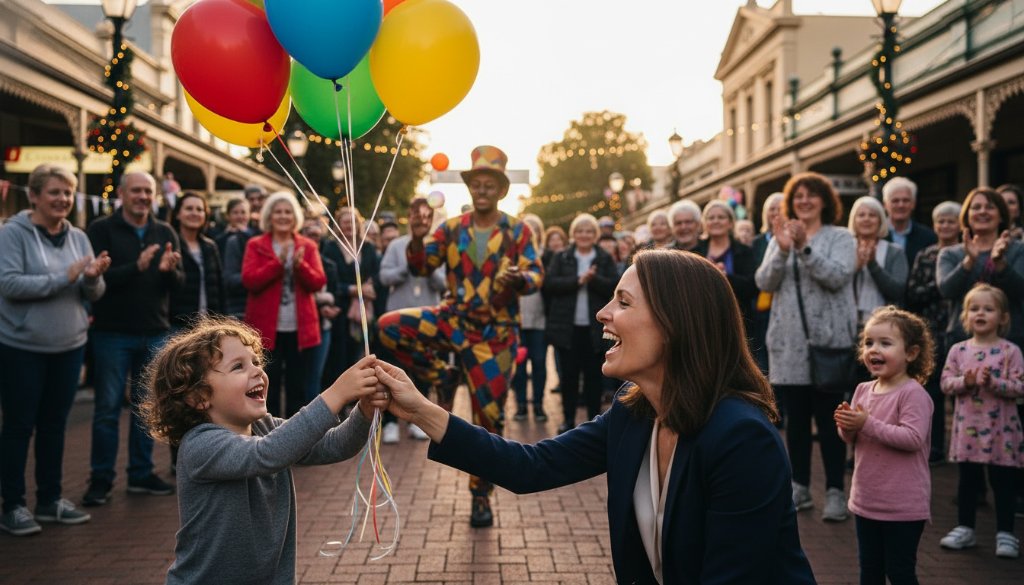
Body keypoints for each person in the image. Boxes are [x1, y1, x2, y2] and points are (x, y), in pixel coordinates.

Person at [376, 250, 817, 584]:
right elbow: (530, 467)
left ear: (674, 324)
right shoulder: (634, 411)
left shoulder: (742, 439)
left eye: (623, 302)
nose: (603, 313)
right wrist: (419, 409)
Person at [138, 317, 386, 584]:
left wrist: (364, 411)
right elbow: (267, 454)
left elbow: (334, 445)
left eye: (256, 362)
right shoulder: (200, 445)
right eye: (238, 366)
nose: (257, 371)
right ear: (199, 397)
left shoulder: (264, 427)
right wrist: (336, 394)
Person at [376, 145, 543, 528]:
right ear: (470, 188)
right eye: (477, 184)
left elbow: (536, 274)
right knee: (388, 327)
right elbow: (422, 267)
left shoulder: (518, 229)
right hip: (454, 319)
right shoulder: (451, 228)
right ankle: (443, 375)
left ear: (501, 190)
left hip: (495, 336)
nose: (482, 190)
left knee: (489, 420)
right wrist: (416, 239)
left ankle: (480, 495)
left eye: (489, 185)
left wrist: (519, 278)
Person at [0, 165, 110, 535]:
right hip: (22, 346)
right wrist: (65, 277)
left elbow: (94, 293)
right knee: (18, 426)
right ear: (33, 196)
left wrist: (92, 279)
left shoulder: (78, 236)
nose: (62, 199)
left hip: (69, 345)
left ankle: (50, 500)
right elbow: (9, 284)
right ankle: (13, 505)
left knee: (54, 426)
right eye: (54, 192)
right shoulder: (12, 233)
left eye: (67, 192)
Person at [755, 171, 857, 522]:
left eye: (811, 194)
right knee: (796, 423)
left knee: (829, 422)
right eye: (798, 196)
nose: (804, 201)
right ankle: (799, 487)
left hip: (828, 342)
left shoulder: (840, 237)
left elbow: (837, 277)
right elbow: (764, 281)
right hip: (788, 344)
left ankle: (835, 491)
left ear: (825, 200)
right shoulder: (780, 238)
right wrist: (783, 249)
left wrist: (804, 249)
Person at [83, 171, 183, 506]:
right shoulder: (101, 229)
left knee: (146, 409)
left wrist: (169, 271)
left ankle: (141, 474)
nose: (143, 197)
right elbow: (95, 280)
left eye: (148, 191)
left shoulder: (165, 231)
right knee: (107, 410)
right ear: (122, 194)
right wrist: (136, 268)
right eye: (136, 191)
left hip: (154, 331)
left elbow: (179, 286)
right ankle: (101, 479)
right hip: (111, 333)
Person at [835, 306, 935, 585]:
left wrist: (865, 423)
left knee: (900, 572)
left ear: (911, 353)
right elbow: (851, 439)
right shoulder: (862, 390)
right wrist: (847, 425)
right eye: (869, 342)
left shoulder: (913, 394)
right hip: (866, 500)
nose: (873, 349)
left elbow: (913, 438)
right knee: (870, 570)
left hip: (902, 505)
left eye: (885, 343)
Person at [938, 284, 1023, 559]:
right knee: (968, 482)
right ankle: (965, 528)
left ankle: (1006, 533)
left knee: (1003, 483)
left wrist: (994, 383)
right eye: (974, 308)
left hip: (1001, 432)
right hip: (968, 432)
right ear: (965, 316)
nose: (980, 313)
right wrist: (966, 382)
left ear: (1003, 317)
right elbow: (945, 383)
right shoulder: (958, 350)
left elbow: (1020, 387)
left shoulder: (1010, 351)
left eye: (988, 309)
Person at [242, 191, 327, 418]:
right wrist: (278, 264)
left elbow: (318, 282)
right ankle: (266, 435)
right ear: (269, 216)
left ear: (295, 216)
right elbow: (249, 280)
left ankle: (295, 435)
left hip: (300, 330)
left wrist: (301, 267)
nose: (283, 216)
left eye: (288, 212)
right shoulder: (256, 244)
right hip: (264, 330)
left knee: (297, 389)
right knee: (265, 387)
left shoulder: (307, 246)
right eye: (278, 211)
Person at [376, 198, 447, 442]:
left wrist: (426, 267)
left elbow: (445, 284)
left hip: (426, 320)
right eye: (417, 214)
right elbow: (384, 277)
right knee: (392, 370)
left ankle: (418, 422)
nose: (421, 219)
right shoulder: (397, 245)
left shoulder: (437, 247)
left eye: (427, 215)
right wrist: (407, 266)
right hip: (396, 321)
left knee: (423, 369)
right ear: (410, 216)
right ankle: (390, 423)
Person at [544, 214, 619, 433]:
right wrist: (578, 281)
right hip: (567, 328)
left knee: (594, 377)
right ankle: (567, 420)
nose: (584, 235)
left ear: (595, 234)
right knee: (568, 377)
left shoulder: (603, 257)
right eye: (580, 231)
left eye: (589, 231)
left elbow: (614, 286)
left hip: (596, 329)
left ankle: (594, 424)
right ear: (573, 234)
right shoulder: (562, 257)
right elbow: (550, 284)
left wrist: (593, 279)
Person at [906, 200, 962, 464]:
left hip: (960, 329)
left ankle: (962, 448)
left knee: (960, 391)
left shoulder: (965, 254)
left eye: (951, 221)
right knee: (933, 392)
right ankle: (935, 447)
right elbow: (913, 293)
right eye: (941, 221)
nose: (946, 226)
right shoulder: (926, 255)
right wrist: (939, 285)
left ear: (959, 225)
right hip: (932, 332)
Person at [937, 187, 1024, 350]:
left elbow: (1020, 290)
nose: (983, 211)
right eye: (976, 207)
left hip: (1010, 342)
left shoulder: (1018, 250)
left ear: (1001, 216)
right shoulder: (949, 254)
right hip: (962, 342)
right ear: (967, 216)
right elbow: (946, 290)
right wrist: (968, 262)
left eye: (990, 207)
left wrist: (1000, 264)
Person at [320, 206, 380, 388]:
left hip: (364, 311)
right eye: (345, 222)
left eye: (353, 221)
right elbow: (328, 280)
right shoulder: (330, 248)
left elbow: (377, 275)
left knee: (360, 356)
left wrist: (370, 287)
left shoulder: (368, 247)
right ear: (338, 225)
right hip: (339, 311)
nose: (349, 225)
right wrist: (351, 289)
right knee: (338, 358)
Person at [848, 196, 908, 325]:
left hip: (884, 323)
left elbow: (897, 291)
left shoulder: (895, 251)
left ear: (881, 221)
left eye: (872, 215)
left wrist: (872, 265)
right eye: (861, 215)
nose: (866, 219)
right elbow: (835, 283)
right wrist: (856, 267)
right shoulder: (842, 247)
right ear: (854, 220)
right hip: (846, 320)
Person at [512, 213, 550, 423]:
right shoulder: (514, 256)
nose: (532, 232)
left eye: (535, 229)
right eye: (528, 228)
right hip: (517, 321)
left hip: (540, 320)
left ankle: (538, 404)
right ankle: (520, 405)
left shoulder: (546, 256)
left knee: (539, 364)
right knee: (518, 366)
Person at [696, 199, 756, 328]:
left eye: (721, 217)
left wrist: (725, 277)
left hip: (738, 319)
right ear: (705, 223)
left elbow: (751, 286)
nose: (716, 221)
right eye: (711, 218)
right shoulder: (696, 251)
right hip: (703, 318)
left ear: (730, 223)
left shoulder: (744, 250)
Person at [169, 191, 225, 330]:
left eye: (199, 209)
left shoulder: (210, 246)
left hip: (208, 325)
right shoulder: (169, 244)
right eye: (189, 208)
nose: (194, 213)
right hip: (177, 326)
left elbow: (219, 287)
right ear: (178, 214)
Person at [751, 192, 784, 374]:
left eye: (780, 208)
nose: (775, 213)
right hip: (761, 305)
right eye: (772, 209)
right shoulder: (756, 243)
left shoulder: (796, 239)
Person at [882, 177, 937, 269]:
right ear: (885, 205)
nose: (901, 205)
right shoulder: (876, 236)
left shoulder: (928, 237)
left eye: (906, 200)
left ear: (913, 204)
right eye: (895, 201)